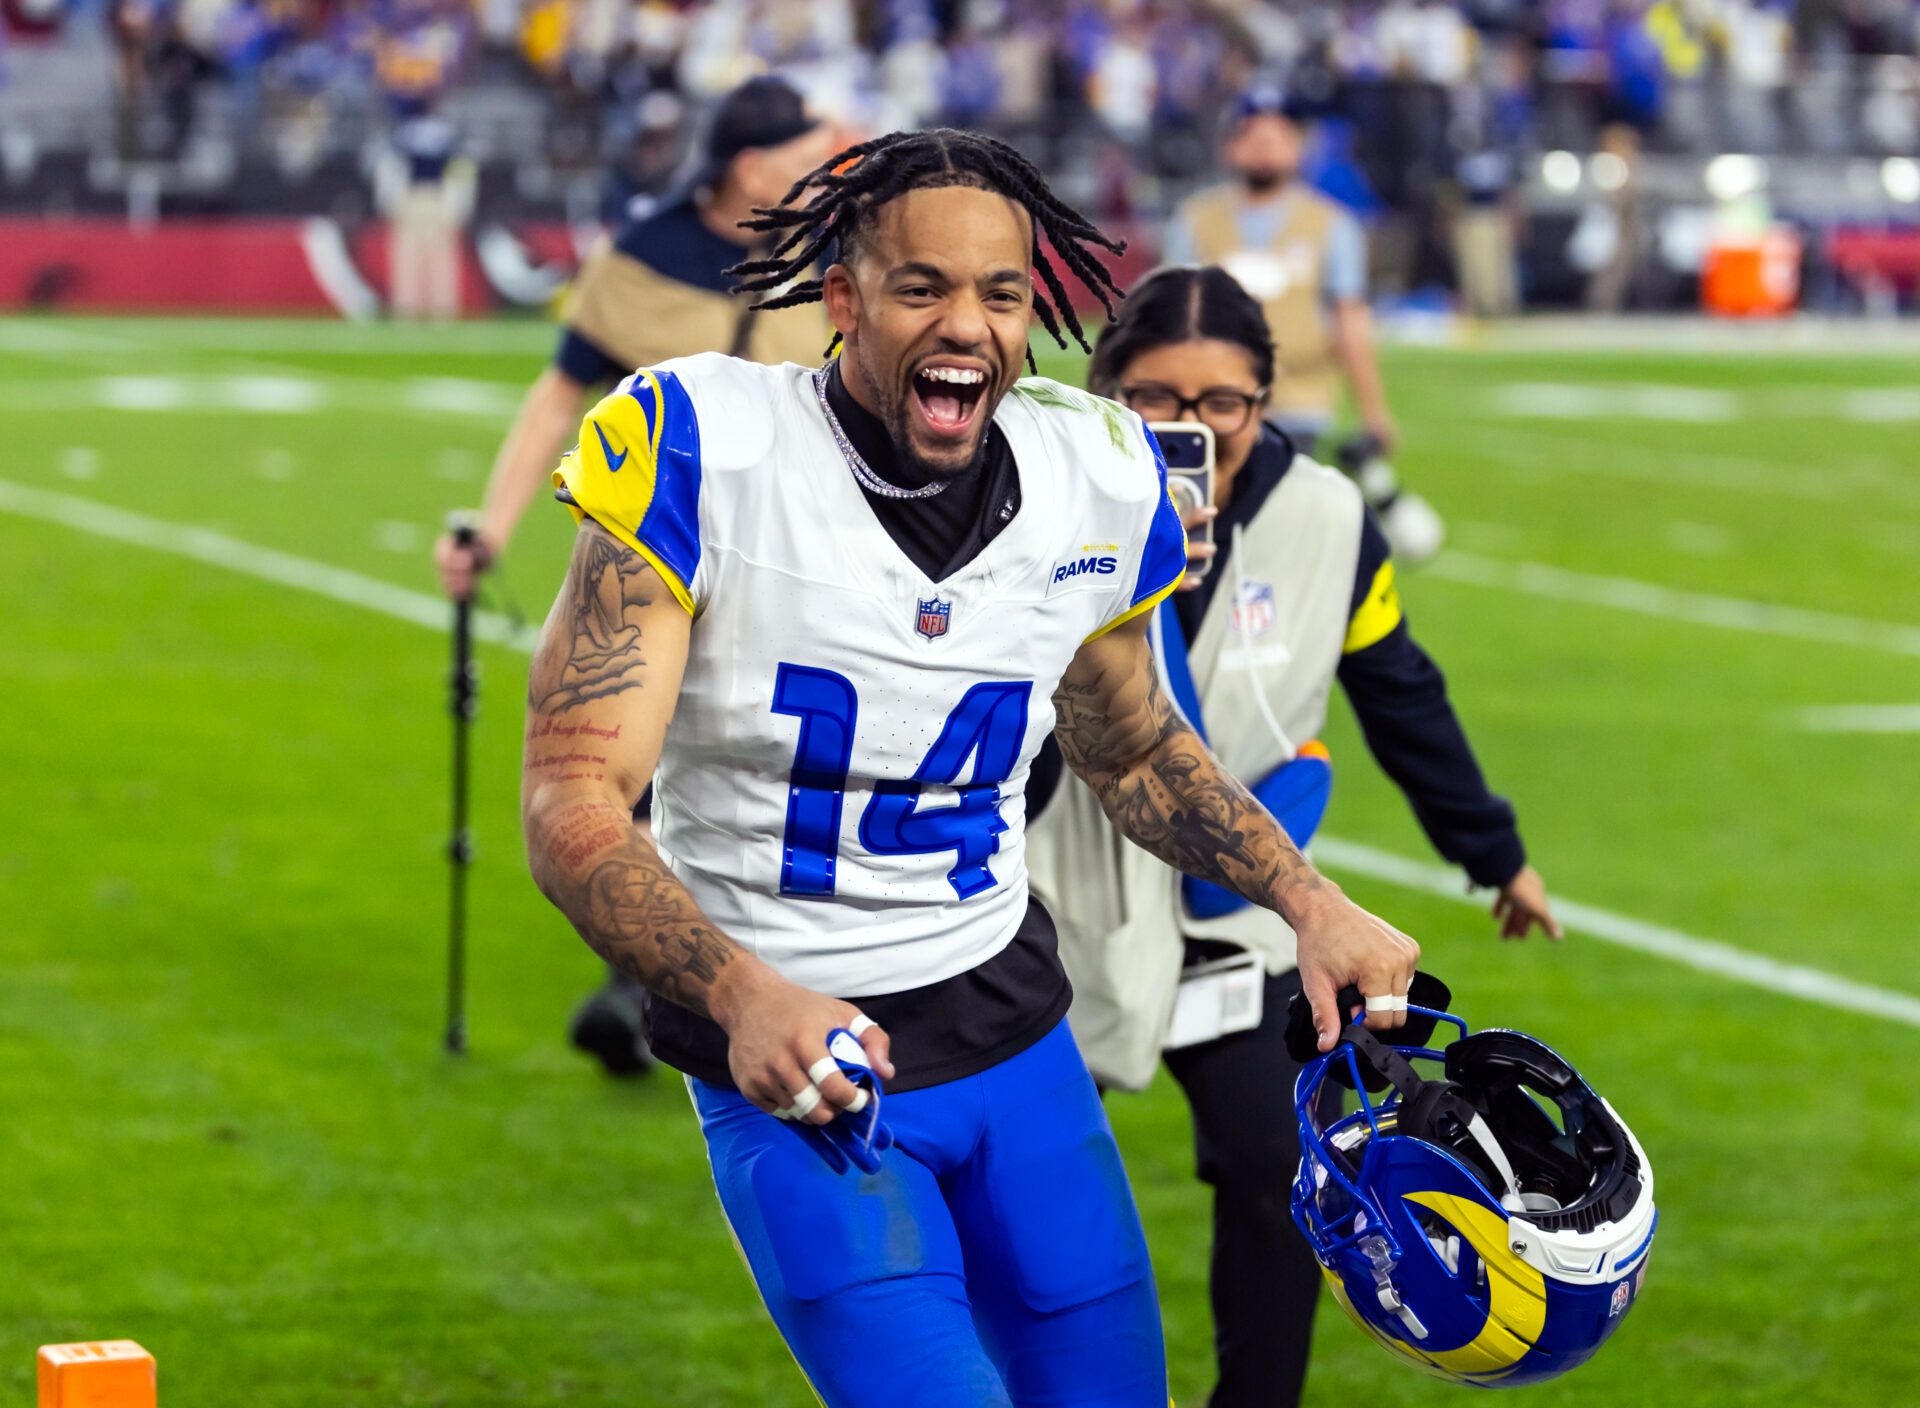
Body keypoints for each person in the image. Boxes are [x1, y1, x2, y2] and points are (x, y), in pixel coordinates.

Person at [519, 129, 1424, 1408]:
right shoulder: (699, 445)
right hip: (807, 1069)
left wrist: (1311, 903)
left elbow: (1137, 748)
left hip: (1012, 1028)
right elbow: (572, 799)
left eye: (1001, 293)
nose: (969, 325)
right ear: (841, 299)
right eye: (921, 286)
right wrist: (739, 993)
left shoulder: (1091, 473)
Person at [1024, 265, 1559, 1408]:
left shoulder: (1326, 515)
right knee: (1029, 1195)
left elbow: (1396, 687)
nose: (1191, 426)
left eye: (1225, 401)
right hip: (1060, 902)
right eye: (1154, 396)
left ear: (1268, 399)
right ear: (1102, 383)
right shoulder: (1034, 495)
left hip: (1248, 922)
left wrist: (1493, 849)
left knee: (1281, 1174)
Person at [436, 75, 839, 1075]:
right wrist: (488, 528)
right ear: (752, 165)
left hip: (796, 562)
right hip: (652, 561)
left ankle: (707, 980)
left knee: (753, 768)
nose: (829, 156)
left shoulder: (837, 255)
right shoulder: (643, 258)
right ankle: (653, 981)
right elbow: (557, 396)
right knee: (633, 765)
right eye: (808, 145)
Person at [1163, 85, 1443, 563]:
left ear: (1298, 147)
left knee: (1287, 545)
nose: (1266, 148)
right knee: (1206, 545)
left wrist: (1372, 409)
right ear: (1231, 146)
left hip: (1300, 405)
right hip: (1208, 411)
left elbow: (1349, 321)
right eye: (1254, 137)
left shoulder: (1331, 225)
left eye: (1278, 138)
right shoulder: (1195, 221)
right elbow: (1166, 318)